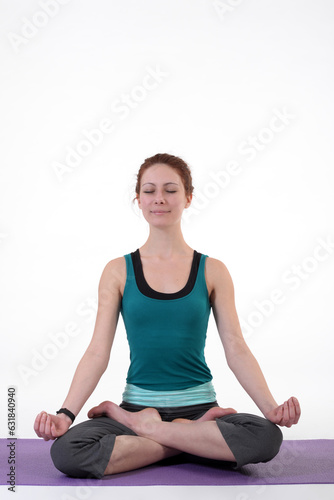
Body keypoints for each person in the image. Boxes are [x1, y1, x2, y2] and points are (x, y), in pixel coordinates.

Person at [34, 153, 301, 479]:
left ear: (188, 197)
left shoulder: (212, 270)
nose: (159, 198)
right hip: (141, 408)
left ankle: (147, 432)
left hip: (200, 410)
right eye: (149, 190)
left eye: (171, 190)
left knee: (266, 437)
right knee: (67, 452)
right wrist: (66, 413)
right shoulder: (117, 271)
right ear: (138, 199)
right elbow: (96, 351)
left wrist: (269, 408)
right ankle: (190, 442)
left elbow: (236, 347)